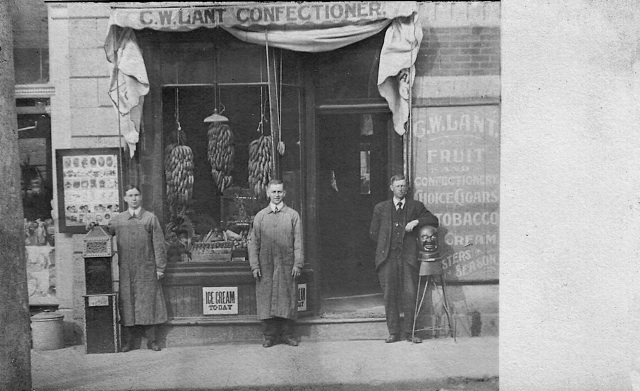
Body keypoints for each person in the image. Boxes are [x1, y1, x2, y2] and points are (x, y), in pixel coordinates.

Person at [369, 174, 439, 343]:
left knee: (410, 294)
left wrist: (416, 221)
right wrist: (387, 244)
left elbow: (433, 220)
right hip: (387, 258)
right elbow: (373, 233)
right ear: (391, 188)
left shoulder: (415, 206)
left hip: (408, 257)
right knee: (389, 295)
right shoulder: (381, 208)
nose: (400, 189)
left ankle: (410, 332)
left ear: (407, 188)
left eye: (403, 186)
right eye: (397, 186)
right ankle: (393, 332)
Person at [106, 185, 167, 352]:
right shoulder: (118, 220)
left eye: (136, 195)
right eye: (130, 195)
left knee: (148, 303)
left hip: (146, 269)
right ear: (125, 199)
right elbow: (104, 233)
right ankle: (128, 342)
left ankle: (152, 341)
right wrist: (91, 226)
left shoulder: (150, 218)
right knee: (127, 304)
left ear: (141, 198)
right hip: (126, 270)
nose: (134, 198)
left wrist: (160, 267)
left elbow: (159, 245)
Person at [248, 179, 303, 348]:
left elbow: (298, 242)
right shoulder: (261, 216)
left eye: (280, 192)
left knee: (287, 298)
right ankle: (269, 336)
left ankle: (287, 335)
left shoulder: (292, 215)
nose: (277, 195)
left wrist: (297, 264)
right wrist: (255, 265)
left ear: (284, 193)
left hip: (286, 265)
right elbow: (253, 243)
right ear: (267, 193)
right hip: (266, 266)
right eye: (274, 192)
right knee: (267, 298)